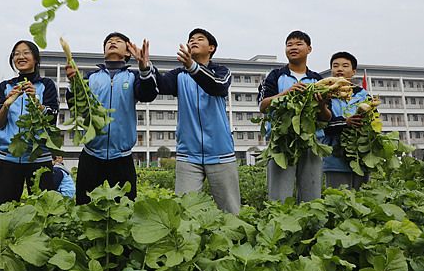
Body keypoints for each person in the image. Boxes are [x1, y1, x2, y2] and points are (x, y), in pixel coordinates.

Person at [155, 28, 241, 214]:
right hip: (188, 155)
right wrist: (146, 67)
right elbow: (160, 85)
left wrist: (192, 67)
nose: (193, 41)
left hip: (221, 153)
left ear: (211, 48)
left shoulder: (221, 71)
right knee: (184, 212)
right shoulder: (179, 75)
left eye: (199, 39)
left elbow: (217, 87)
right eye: (190, 39)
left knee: (231, 211)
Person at [66, 32, 158, 205]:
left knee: (125, 208)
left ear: (128, 52)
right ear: (104, 51)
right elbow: (76, 106)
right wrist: (73, 84)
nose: (112, 42)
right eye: (109, 41)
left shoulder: (133, 77)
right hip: (91, 155)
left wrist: (144, 68)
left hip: (122, 157)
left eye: (118, 41)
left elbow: (148, 94)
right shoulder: (91, 77)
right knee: (85, 207)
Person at [257, 30, 331, 203]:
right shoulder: (275, 76)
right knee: (279, 198)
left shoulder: (317, 80)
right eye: (289, 45)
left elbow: (327, 117)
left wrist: (321, 105)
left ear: (309, 49)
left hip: (311, 142)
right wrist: (286, 93)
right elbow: (263, 106)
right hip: (281, 142)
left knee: (312, 198)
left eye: (298, 44)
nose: (293, 48)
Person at [0, 40, 58, 208]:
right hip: (9, 158)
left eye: (26, 52)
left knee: (44, 210)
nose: (21, 56)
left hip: (39, 157)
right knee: (4, 209)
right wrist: (7, 104)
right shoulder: (6, 86)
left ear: (35, 58)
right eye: (16, 54)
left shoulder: (46, 85)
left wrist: (35, 100)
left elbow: (52, 119)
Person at [322, 52, 370, 189]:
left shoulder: (363, 94)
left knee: (363, 198)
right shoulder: (325, 94)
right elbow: (323, 124)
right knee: (338, 198)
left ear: (353, 71)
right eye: (335, 66)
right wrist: (345, 123)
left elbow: (373, 120)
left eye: (345, 66)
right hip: (335, 159)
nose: (339, 69)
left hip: (361, 157)